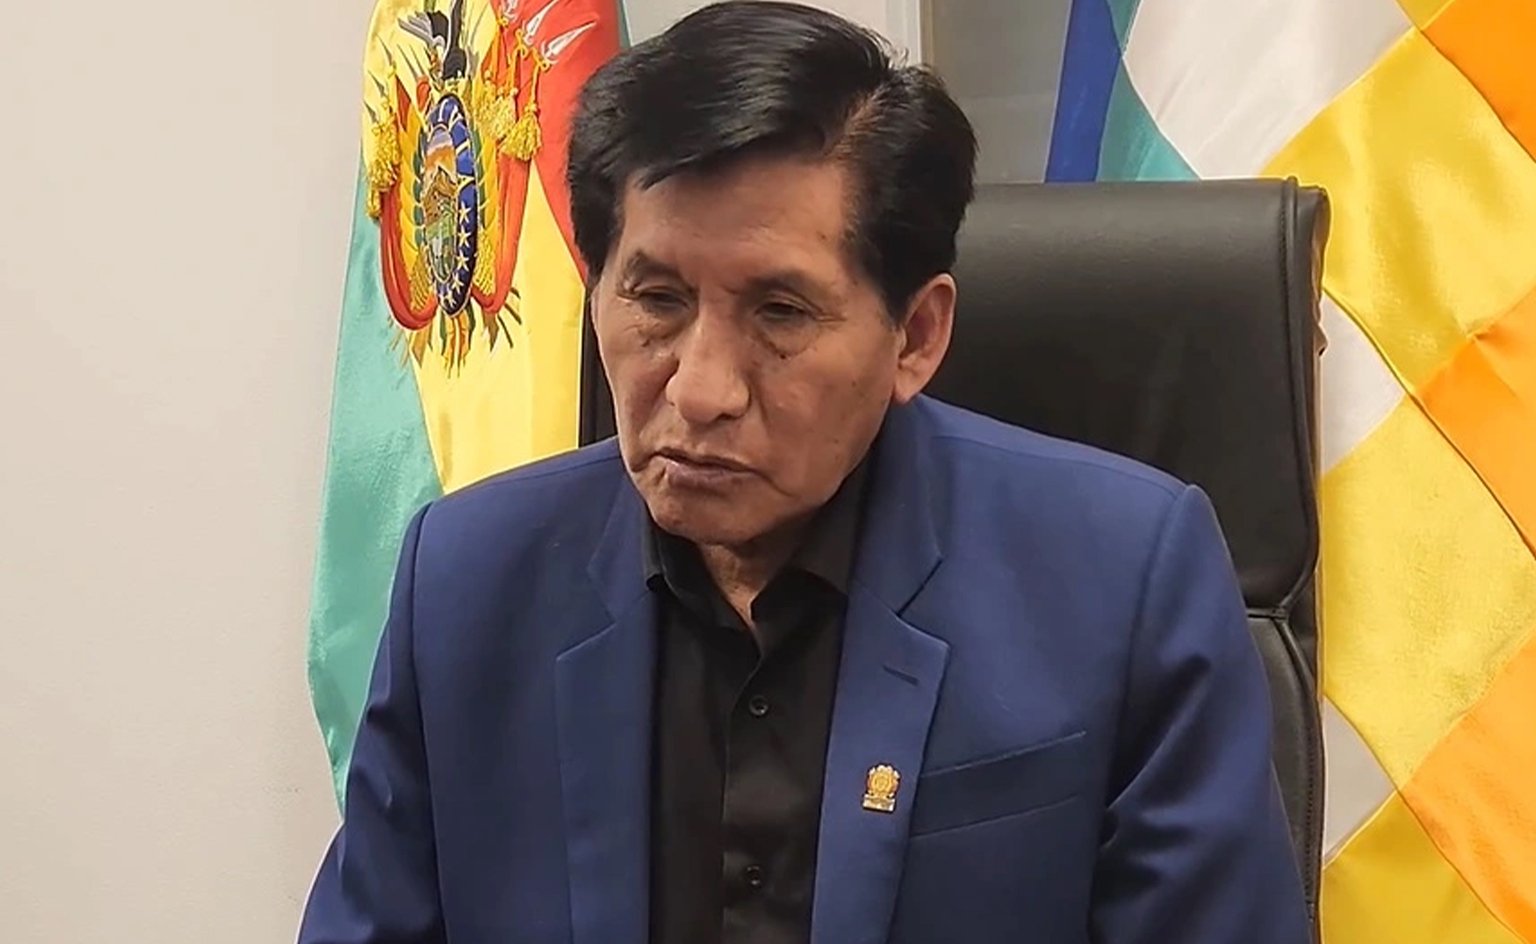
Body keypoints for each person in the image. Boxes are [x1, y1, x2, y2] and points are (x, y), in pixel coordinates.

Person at [298, 2, 1311, 942]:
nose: (700, 389)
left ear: (917, 336)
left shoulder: (1122, 580)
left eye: (780, 313)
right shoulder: (468, 584)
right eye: (656, 299)